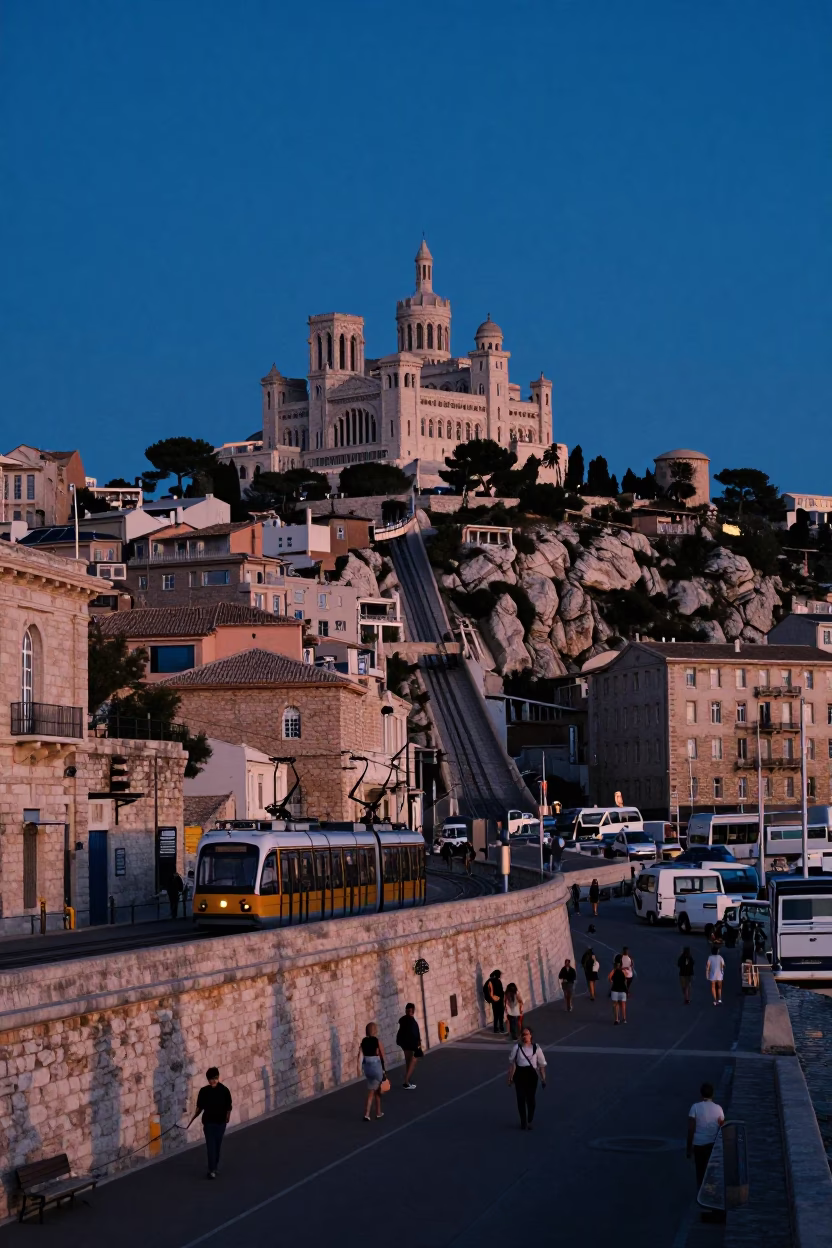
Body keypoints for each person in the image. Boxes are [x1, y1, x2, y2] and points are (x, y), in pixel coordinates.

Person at [187, 1067, 232, 1179]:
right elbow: (199, 1108)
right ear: (208, 1079)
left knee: (217, 1146)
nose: (213, 1081)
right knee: (211, 1146)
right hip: (209, 1123)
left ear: (218, 1077)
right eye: (210, 1079)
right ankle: (211, 1170)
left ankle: (214, 1167)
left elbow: (228, 1107)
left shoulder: (224, 1090)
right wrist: (192, 1119)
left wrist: (227, 1117)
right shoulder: (204, 1091)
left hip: (221, 1124)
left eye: (214, 1078)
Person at [507, 1025, 547, 1130]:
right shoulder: (517, 1048)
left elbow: (541, 1064)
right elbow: (512, 1064)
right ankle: (523, 1122)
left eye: (527, 1034)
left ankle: (530, 1118)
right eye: (523, 1035)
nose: (525, 1037)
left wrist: (543, 1079)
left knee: (530, 1099)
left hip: (531, 1075)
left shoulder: (536, 1048)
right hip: (520, 1074)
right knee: (520, 1099)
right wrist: (510, 1078)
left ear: (531, 1035)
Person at [687, 1082, 725, 1188]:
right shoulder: (719, 1109)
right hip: (712, 1145)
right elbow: (722, 1128)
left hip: (698, 1145)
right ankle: (709, 1191)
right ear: (713, 1095)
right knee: (711, 1171)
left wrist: (688, 1148)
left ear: (701, 1094)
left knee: (700, 1170)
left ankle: (700, 1193)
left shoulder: (695, 1107)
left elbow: (691, 1129)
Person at [358, 1022, 387, 1121]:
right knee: (379, 1090)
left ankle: (367, 1114)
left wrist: (359, 1069)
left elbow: (360, 1056)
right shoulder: (376, 1041)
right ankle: (378, 1112)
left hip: (367, 1068)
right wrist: (384, 1070)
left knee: (372, 1090)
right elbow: (382, 1055)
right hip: (376, 1067)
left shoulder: (363, 1042)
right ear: (375, 1030)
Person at [396, 1003, 421, 1090]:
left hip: (404, 1043)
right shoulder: (411, 1021)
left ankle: (407, 1080)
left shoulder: (403, 1019)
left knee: (408, 1061)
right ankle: (406, 1081)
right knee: (413, 1060)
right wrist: (418, 1044)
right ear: (413, 1011)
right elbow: (414, 1033)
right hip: (411, 1044)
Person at [609, 955, 628, 1024]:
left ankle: (618, 1019)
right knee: (622, 1004)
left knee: (616, 1004)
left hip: (616, 990)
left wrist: (613, 981)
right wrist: (627, 990)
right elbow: (625, 981)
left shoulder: (614, 971)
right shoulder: (623, 971)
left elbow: (609, 979)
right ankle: (622, 1018)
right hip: (621, 990)